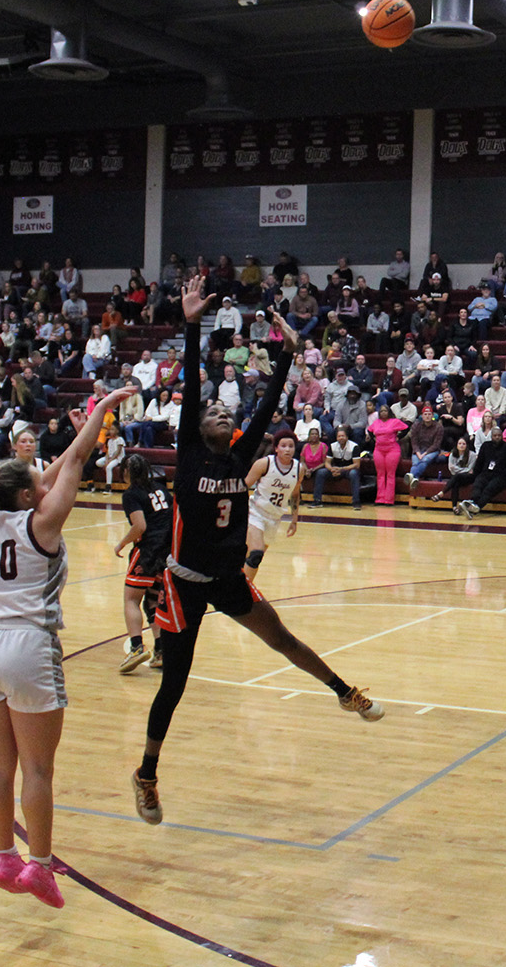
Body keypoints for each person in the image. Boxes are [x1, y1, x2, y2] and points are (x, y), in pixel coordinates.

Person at [132, 281, 381, 828]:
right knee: (174, 682)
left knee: (283, 638)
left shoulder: (242, 452)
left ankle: (344, 693)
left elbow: (268, 404)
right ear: (198, 429)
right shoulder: (192, 456)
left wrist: (291, 354)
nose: (224, 414)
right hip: (182, 583)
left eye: (228, 413)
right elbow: (197, 392)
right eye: (215, 413)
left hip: (227, 579)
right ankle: (147, 773)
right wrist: (193, 324)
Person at [0, 383, 134, 909]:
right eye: (40, 481)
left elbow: (54, 466)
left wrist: (56, 456)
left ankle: (3, 856)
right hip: (26, 647)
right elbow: (76, 458)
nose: (48, 480)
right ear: (28, 495)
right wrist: (101, 414)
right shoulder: (44, 524)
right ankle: (38, 865)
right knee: (37, 769)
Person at [112, 453, 172, 674]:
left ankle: (136, 647)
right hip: (167, 551)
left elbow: (140, 526)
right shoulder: (160, 488)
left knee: (131, 599)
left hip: (148, 550)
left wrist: (121, 544)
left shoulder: (132, 494)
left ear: (125, 472)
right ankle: (161, 650)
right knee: (153, 601)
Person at [243, 434, 303, 584]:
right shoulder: (264, 464)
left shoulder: (298, 469)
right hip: (255, 513)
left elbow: (295, 495)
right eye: (283, 446)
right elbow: (243, 487)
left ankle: (239, 585)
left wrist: (294, 519)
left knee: (252, 558)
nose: (287, 449)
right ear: (276, 448)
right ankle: (244, 592)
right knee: (255, 554)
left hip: (275, 518)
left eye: (291, 446)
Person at [452, 425, 506, 517]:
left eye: (499, 435)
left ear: (502, 436)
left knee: (490, 488)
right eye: (495, 435)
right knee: (478, 483)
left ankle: (476, 507)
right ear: (491, 436)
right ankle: (472, 503)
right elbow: (479, 463)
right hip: (487, 473)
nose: (497, 437)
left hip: (503, 476)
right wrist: (474, 475)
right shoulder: (485, 446)